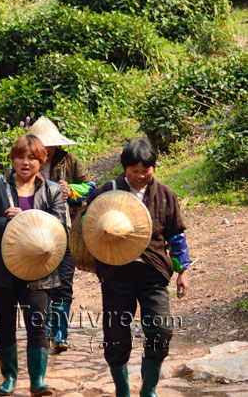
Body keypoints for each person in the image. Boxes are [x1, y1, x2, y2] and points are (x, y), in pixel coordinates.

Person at [85, 138, 190, 397]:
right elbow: (89, 225)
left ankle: (148, 388)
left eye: (146, 170)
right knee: (116, 333)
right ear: (124, 169)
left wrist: (183, 271)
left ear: (154, 167)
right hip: (116, 274)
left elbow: (176, 235)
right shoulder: (108, 191)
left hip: (153, 273)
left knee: (160, 329)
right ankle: (122, 389)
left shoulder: (165, 195)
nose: (140, 176)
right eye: (134, 171)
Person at [0, 134, 67, 397]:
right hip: (1, 268)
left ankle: (37, 381)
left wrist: (26, 218)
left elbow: (61, 227)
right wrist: (6, 222)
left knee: (38, 322)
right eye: (20, 157)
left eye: (32, 158)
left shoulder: (52, 190)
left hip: (39, 267)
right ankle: (9, 378)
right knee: (4, 322)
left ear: (42, 160)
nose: (26, 162)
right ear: (12, 158)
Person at [29, 116, 96, 352]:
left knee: (64, 281)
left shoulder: (69, 161)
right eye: (42, 145)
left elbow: (92, 186)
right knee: (40, 281)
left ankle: (60, 333)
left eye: (50, 145)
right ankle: (44, 330)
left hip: (65, 229)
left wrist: (73, 191)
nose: (47, 150)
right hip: (34, 233)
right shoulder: (26, 164)